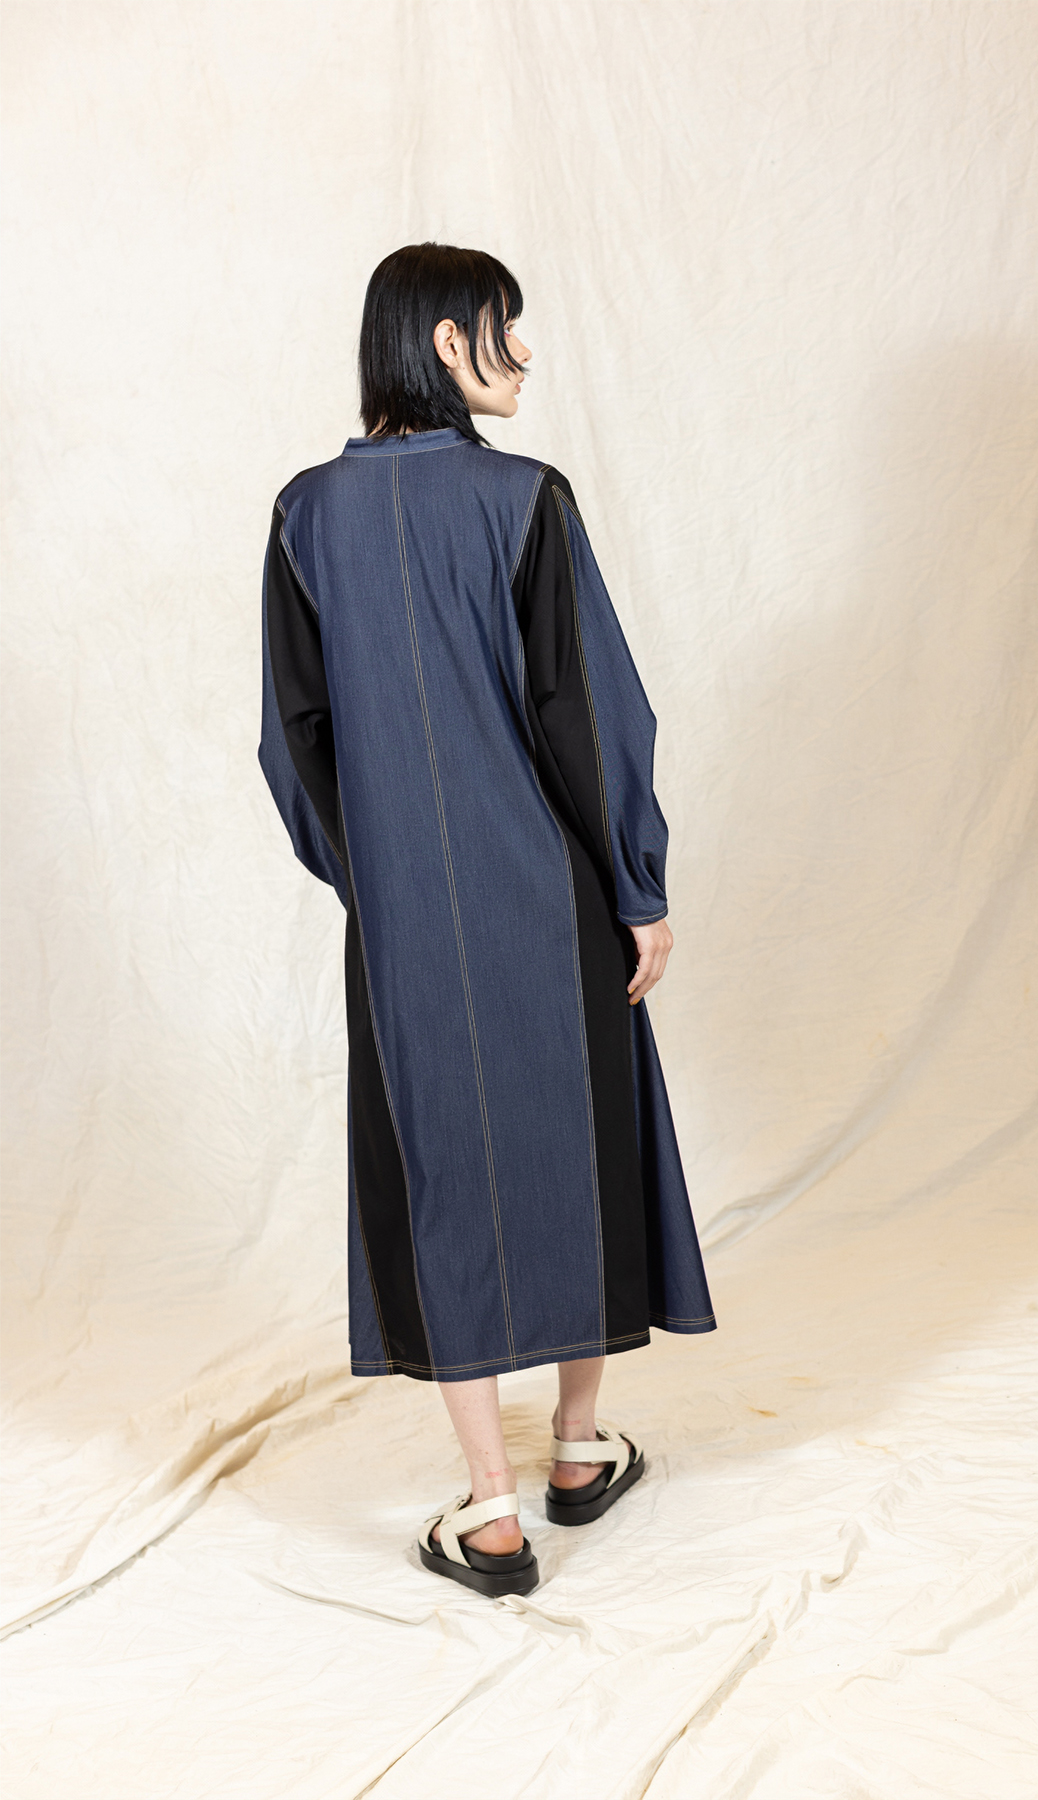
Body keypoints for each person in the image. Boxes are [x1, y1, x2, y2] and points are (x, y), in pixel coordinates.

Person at [259, 242, 715, 1598]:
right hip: (553, 898)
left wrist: (378, 876)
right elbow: (591, 713)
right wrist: (635, 885)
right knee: (579, 1146)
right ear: (449, 342)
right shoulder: (526, 500)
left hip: (403, 923)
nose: (521, 354)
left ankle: (492, 1509)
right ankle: (577, 1450)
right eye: (505, 328)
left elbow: (295, 740)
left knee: (443, 1172)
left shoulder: (302, 516)